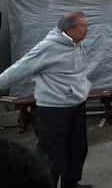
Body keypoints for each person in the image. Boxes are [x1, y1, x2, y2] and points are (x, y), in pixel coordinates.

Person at [0, 11, 93, 188]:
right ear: (70, 29)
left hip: (76, 105)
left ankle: (71, 183)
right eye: (84, 26)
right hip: (54, 109)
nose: (87, 30)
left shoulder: (76, 44)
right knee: (52, 154)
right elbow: (20, 68)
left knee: (78, 149)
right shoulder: (48, 47)